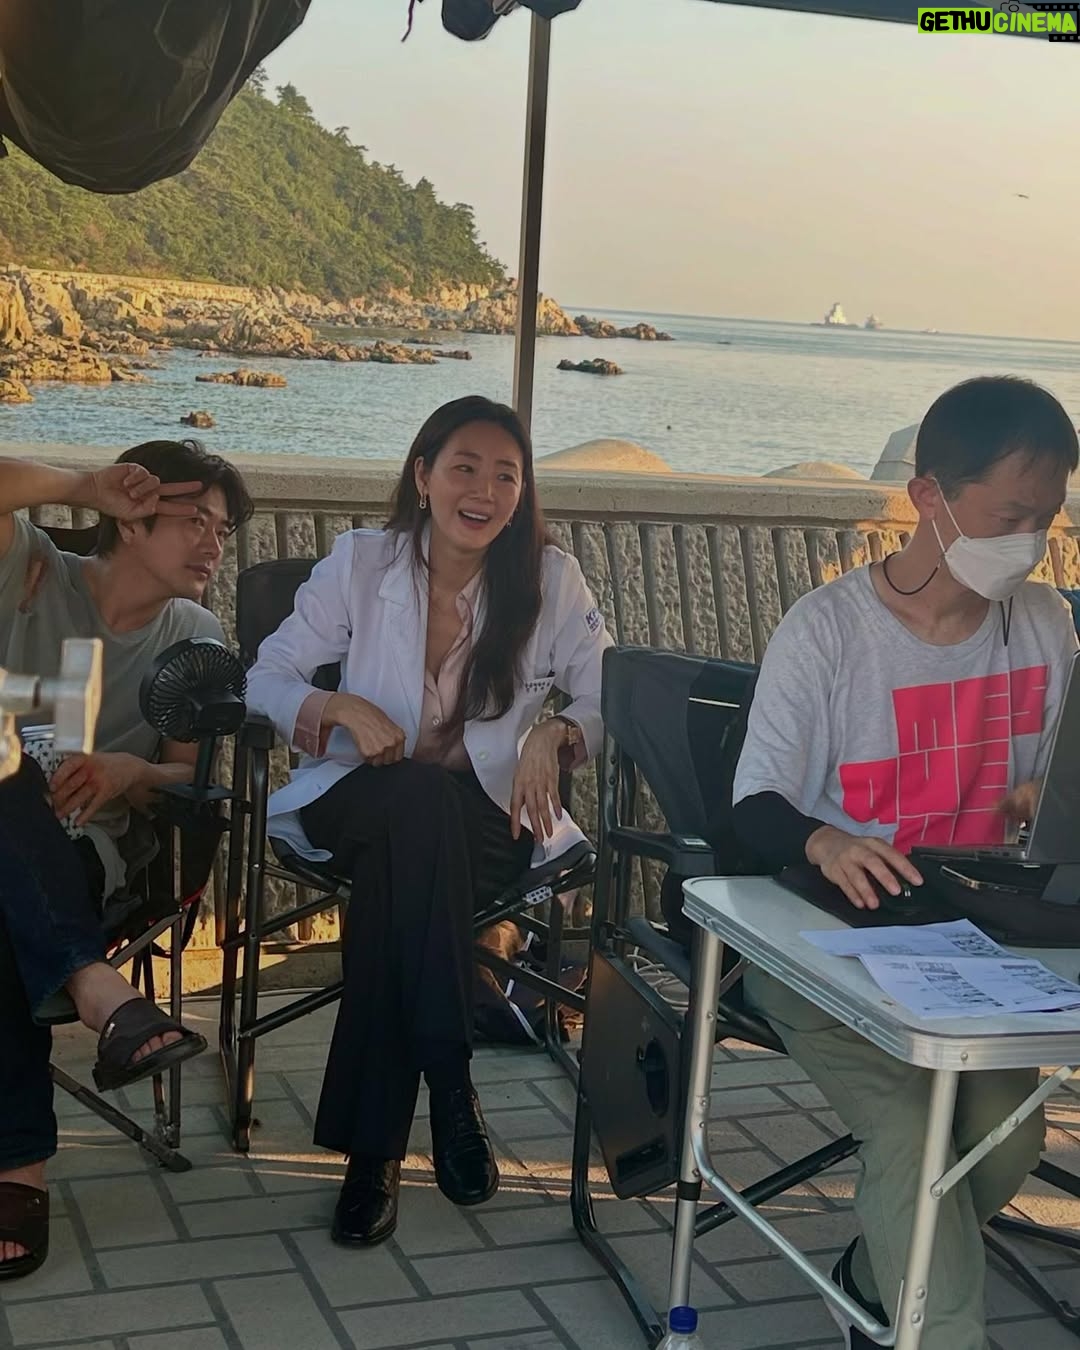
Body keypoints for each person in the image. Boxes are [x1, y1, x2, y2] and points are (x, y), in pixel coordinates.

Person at [731, 375, 1079, 1350]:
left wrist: (1042, 803)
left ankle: (869, 1279)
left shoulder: (1045, 624)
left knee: (1008, 1137)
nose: (1032, 542)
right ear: (929, 496)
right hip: (832, 936)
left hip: (977, 940)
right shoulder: (828, 630)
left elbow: (1063, 788)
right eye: (1010, 517)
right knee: (912, 1134)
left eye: (1048, 518)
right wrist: (825, 838)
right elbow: (755, 806)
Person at [247, 395, 611, 1247]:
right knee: (413, 801)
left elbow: (610, 691)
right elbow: (266, 676)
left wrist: (557, 732)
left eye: (506, 476)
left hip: (482, 816)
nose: (484, 490)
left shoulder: (549, 580)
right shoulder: (362, 562)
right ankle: (450, 1081)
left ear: (522, 493)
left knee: (407, 861)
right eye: (464, 468)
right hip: (357, 794)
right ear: (423, 475)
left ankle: (374, 1153)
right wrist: (334, 705)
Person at [0, 440, 254, 1280]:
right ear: (132, 516)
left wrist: (126, 771)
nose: (213, 543)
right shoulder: (34, 570)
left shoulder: (194, 636)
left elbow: (187, 777)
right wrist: (82, 485)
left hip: (85, 852)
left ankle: (20, 1166)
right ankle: (98, 990)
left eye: (222, 529)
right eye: (194, 519)